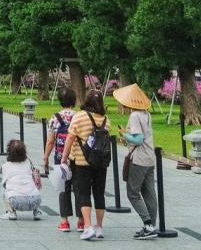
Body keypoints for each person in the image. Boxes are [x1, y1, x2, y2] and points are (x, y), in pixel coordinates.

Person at [61, 89, 110, 241]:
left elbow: (70, 138)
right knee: (99, 194)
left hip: (82, 162)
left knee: (83, 194)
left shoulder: (80, 116)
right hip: (101, 163)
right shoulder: (106, 119)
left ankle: (88, 227)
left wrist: (64, 157)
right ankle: (99, 227)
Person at [113, 83, 157, 239]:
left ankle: (148, 224)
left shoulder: (134, 116)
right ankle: (152, 225)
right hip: (150, 157)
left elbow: (138, 139)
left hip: (138, 158)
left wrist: (123, 135)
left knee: (133, 192)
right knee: (149, 192)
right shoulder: (146, 114)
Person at [43, 87, 78, 232]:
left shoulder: (55, 118)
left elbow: (50, 141)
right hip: (77, 158)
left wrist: (45, 158)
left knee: (63, 188)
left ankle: (64, 222)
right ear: (74, 101)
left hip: (60, 159)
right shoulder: (79, 116)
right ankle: (82, 221)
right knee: (79, 189)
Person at [0, 140, 42, 221]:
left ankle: (11, 213)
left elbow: (4, 183)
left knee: (4, 189)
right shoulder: (28, 163)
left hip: (16, 202)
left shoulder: (5, 166)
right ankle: (36, 212)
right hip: (35, 201)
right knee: (33, 184)